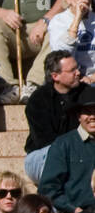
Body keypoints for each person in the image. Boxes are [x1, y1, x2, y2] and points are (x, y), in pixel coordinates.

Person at [39, 85, 95, 213]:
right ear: (78, 116)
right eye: (87, 112)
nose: (92, 116)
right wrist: (74, 209)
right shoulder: (64, 144)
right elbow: (47, 188)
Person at [23, 53, 85, 183]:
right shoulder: (38, 100)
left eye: (77, 68)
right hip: (41, 155)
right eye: (72, 70)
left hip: (81, 153)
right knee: (57, 155)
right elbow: (45, 140)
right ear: (55, 76)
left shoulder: (86, 93)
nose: (78, 73)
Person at [45, 0, 95, 82]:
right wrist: (77, 18)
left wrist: (92, 78)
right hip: (69, 79)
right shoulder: (58, 21)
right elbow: (61, 56)